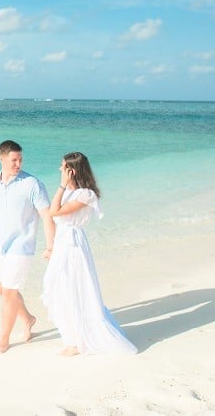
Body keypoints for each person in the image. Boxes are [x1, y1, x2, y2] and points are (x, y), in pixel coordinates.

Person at [41, 151, 137, 356]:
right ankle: (71, 337)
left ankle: (77, 341)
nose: (59, 169)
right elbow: (54, 214)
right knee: (58, 288)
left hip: (73, 245)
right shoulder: (69, 192)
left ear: (71, 170)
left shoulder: (86, 194)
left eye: (63, 167)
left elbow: (54, 212)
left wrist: (61, 184)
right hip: (62, 243)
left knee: (73, 289)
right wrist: (50, 247)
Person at [0, 140, 55, 354]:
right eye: (14, 160)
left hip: (22, 245)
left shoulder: (32, 184)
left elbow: (46, 215)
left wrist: (50, 245)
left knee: (9, 292)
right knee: (1, 290)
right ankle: (28, 319)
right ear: (1, 159)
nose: (18, 164)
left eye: (20, 159)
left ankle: (4, 339)